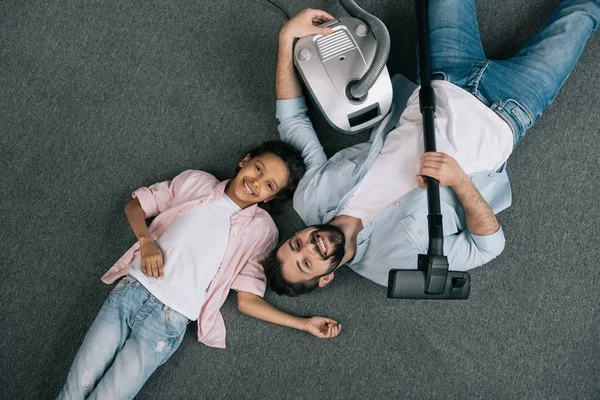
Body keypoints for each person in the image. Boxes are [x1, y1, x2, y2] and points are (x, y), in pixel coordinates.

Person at [264, 1, 599, 296]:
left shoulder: (311, 196)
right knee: (583, 12)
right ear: (325, 279)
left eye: (297, 244)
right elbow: (488, 247)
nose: (311, 246)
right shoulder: (392, 267)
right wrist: (460, 183)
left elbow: (292, 121)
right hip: (509, 111)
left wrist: (285, 39)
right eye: (307, 263)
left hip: (440, 77)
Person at [57, 140, 342, 399]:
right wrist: (146, 241)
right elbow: (135, 206)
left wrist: (302, 323)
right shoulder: (196, 182)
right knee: (75, 387)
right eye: (258, 169)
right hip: (130, 292)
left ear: (270, 198)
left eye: (269, 186)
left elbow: (247, 300)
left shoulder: (263, 231)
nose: (257, 182)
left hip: (168, 322)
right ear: (246, 160)